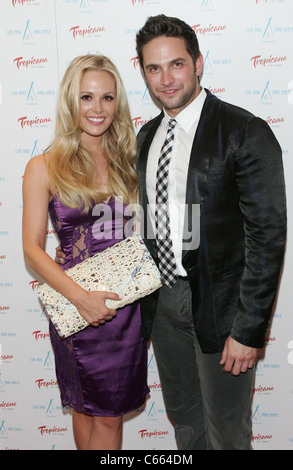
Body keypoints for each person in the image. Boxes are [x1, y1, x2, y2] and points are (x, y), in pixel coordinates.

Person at [134, 15, 287, 450]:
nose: (166, 79)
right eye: (154, 68)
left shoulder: (243, 130)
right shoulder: (146, 136)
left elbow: (268, 235)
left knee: (227, 432)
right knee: (185, 423)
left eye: (177, 64)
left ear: (198, 63)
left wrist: (248, 328)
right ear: (142, 71)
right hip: (163, 306)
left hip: (222, 309)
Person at [22, 54, 149, 450]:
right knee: (83, 409)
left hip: (125, 309)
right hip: (75, 305)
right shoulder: (43, 165)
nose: (97, 109)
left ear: (118, 103)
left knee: (108, 419)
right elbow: (31, 249)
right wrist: (80, 299)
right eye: (86, 97)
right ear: (69, 101)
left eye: (107, 98)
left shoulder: (131, 160)